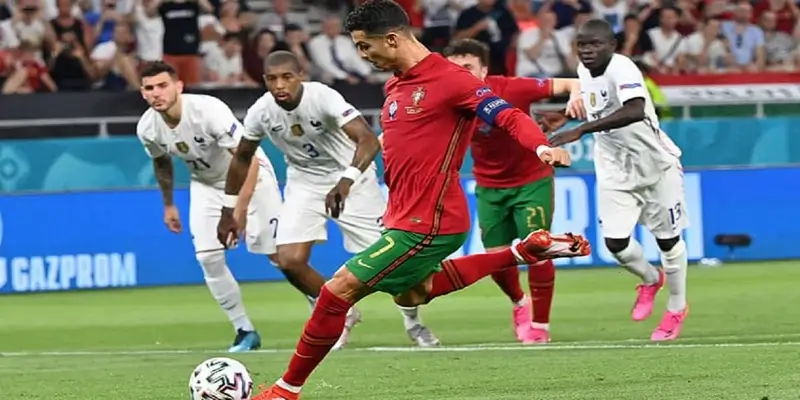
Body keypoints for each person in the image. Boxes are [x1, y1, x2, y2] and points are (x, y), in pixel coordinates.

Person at [217, 1, 591, 398]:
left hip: (429, 220)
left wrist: (541, 147)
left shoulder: (453, 80)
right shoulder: (396, 85)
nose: (363, 55)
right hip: (402, 215)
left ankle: (284, 391)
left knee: (336, 290)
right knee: (415, 291)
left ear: (392, 39)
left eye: (365, 46)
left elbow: (508, 115)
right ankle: (522, 252)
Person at [225, 50, 441, 349]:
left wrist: (346, 180)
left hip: (353, 180)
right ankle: (342, 312)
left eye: (287, 77)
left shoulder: (323, 97)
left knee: (394, 265)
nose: (280, 85)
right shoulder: (261, 112)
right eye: (272, 79)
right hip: (304, 184)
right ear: (264, 80)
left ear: (301, 76)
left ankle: (413, 322)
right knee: (289, 261)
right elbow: (242, 157)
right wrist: (228, 208)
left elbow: (367, 140)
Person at [550, 19, 689, 342]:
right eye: (582, 45)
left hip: (655, 166)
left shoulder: (622, 68)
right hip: (615, 169)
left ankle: (676, 307)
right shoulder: (584, 71)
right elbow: (596, 106)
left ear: (612, 46)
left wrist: (581, 130)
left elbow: (635, 109)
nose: (587, 51)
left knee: (668, 241)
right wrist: (564, 116)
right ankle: (651, 279)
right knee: (615, 243)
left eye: (595, 44)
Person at [443, 38, 584, 344]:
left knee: (539, 248)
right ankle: (520, 303)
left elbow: (572, 83)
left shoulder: (512, 88)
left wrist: (570, 105)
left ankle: (540, 325)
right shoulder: (449, 100)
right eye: (455, 69)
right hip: (489, 187)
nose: (461, 74)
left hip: (531, 180)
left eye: (468, 67)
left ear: (484, 70)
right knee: (496, 259)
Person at [136, 61, 281, 353]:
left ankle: (322, 309)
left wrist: (238, 210)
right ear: (143, 93)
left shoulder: (208, 110)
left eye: (163, 85)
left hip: (251, 176)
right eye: (149, 88)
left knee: (281, 256)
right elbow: (161, 162)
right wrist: (168, 205)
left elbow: (247, 160)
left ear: (178, 86)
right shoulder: (148, 128)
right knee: (207, 257)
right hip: (206, 184)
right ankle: (244, 331)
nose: (156, 93)